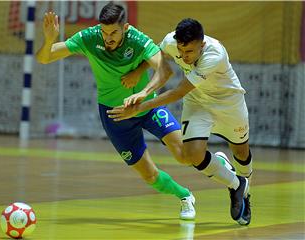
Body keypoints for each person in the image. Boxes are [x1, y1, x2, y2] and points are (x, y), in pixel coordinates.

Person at [36, 3, 196, 220]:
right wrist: (49, 40)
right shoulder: (90, 38)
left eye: (113, 32)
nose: (108, 38)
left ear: (126, 27)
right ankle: (185, 196)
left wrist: (144, 93)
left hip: (147, 107)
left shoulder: (138, 40)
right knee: (149, 175)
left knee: (185, 156)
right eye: (104, 32)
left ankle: (217, 163)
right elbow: (44, 58)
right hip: (115, 115)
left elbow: (164, 71)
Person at [107, 18, 252, 225]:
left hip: (228, 103)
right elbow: (157, 56)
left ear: (202, 45)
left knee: (241, 151)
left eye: (190, 52)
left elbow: (178, 92)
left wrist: (139, 107)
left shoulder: (215, 54)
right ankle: (237, 184)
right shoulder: (170, 41)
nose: (184, 57)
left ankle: (246, 193)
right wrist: (138, 72)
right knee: (191, 155)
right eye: (181, 52)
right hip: (197, 102)